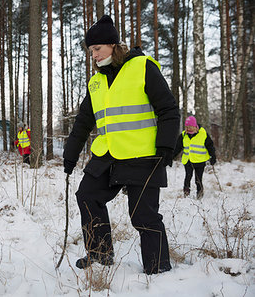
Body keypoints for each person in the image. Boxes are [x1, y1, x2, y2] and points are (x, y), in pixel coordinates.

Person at [63, 15, 180, 275]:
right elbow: (83, 123)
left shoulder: (142, 67)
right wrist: (70, 157)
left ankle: (158, 267)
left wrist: (165, 148)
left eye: (97, 49)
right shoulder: (96, 82)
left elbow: (169, 110)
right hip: (108, 156)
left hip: (143, 155)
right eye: (90, 50)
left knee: (143, 215)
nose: (92, 55)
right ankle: (100, 254)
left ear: (113, 45)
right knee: (87, 196)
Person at [174, 116, 216, 198]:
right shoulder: (183, 135)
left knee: (198, 179)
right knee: (187, 177)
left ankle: (199, 195)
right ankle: (186, 194)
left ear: (195, 126)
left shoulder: (203, 134)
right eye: (187, 127)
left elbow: (210, 146)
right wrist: (171, 157)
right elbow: (177, 148)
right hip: (188, 160)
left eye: (190, 127)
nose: (188, 129)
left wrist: (213, 157)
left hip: (200, 161)